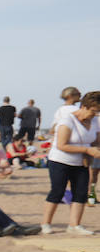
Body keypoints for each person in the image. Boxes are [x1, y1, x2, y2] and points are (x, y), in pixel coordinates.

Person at [40, 91, 100, 235]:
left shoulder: (94, 121)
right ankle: (46, 223)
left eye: (98, 112)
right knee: (57, 191)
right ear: (84, 106)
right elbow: (61, 145)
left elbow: (96, 141)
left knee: (80, 193)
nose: (94, 114)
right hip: (60, 160)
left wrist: (94, 149)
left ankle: (74, 225)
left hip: (81, 162)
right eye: (93, 111)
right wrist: (87, 149)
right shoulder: (67, 120)